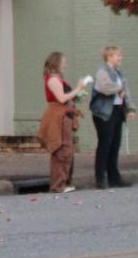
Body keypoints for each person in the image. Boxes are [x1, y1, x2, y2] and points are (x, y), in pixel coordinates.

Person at [37, 51, 88, 194]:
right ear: (56, 63)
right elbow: (61, 98)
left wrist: (79, 92)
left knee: (67, 149)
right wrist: (77, 89)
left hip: (64, 115)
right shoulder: (53, 79)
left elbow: (68, 97)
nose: (65, 65)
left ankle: (64, 182)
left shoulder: (58, 79)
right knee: (62, 150)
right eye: (63, 62)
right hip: (58, 116)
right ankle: (58, 185)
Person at [90, 45, 132, 188]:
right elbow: (104, 88)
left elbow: (125, 92)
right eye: (117, 56)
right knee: (104, 144)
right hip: (104, 113)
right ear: (109, 57)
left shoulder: (119, 73)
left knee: (115, 145)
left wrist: (130, 108)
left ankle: (114, 177)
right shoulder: (102, 72)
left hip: (117, 111)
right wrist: (119, 89)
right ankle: (100, 178)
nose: (120, 58)